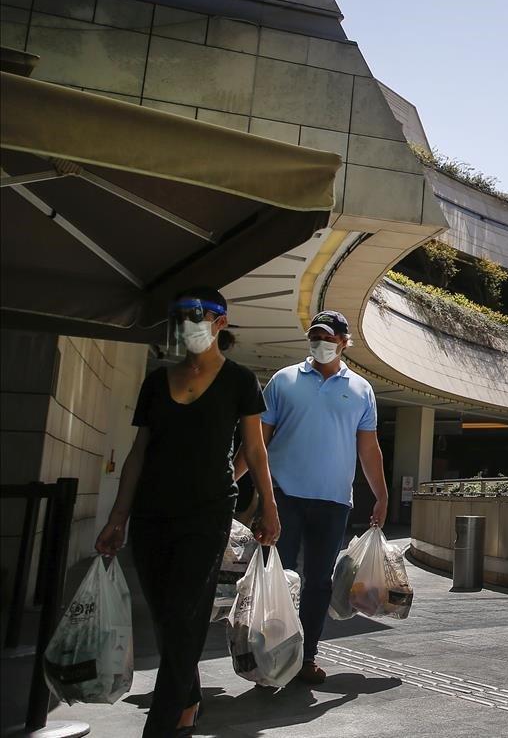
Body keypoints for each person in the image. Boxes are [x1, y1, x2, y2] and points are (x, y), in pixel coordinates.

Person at [95, 287, 279, 738]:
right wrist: (118, 516)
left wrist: (268, 509)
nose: (187, 325)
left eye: (197, 316)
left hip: (208, 510)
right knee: (164, 613)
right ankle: (189, 697)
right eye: (179, 317)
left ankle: (162, 723)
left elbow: (255, 450)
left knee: (184, 610)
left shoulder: (240, 381)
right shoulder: (156, 382)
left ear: (220, 323)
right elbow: (139, 451)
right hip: (152, 511)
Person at [236, 310, 388, 685]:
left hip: (334, 500)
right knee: (279, 577)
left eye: (327, 337)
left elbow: (368, 448)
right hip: (283, 497)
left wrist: (382, 495)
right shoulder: (283, 381)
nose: (319, 343)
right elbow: (259, 440)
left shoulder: (360, 389)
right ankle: (271, 656)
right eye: (314, 336)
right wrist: (228, 480)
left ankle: (306, 657)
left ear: (343, 342)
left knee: (318, 581)